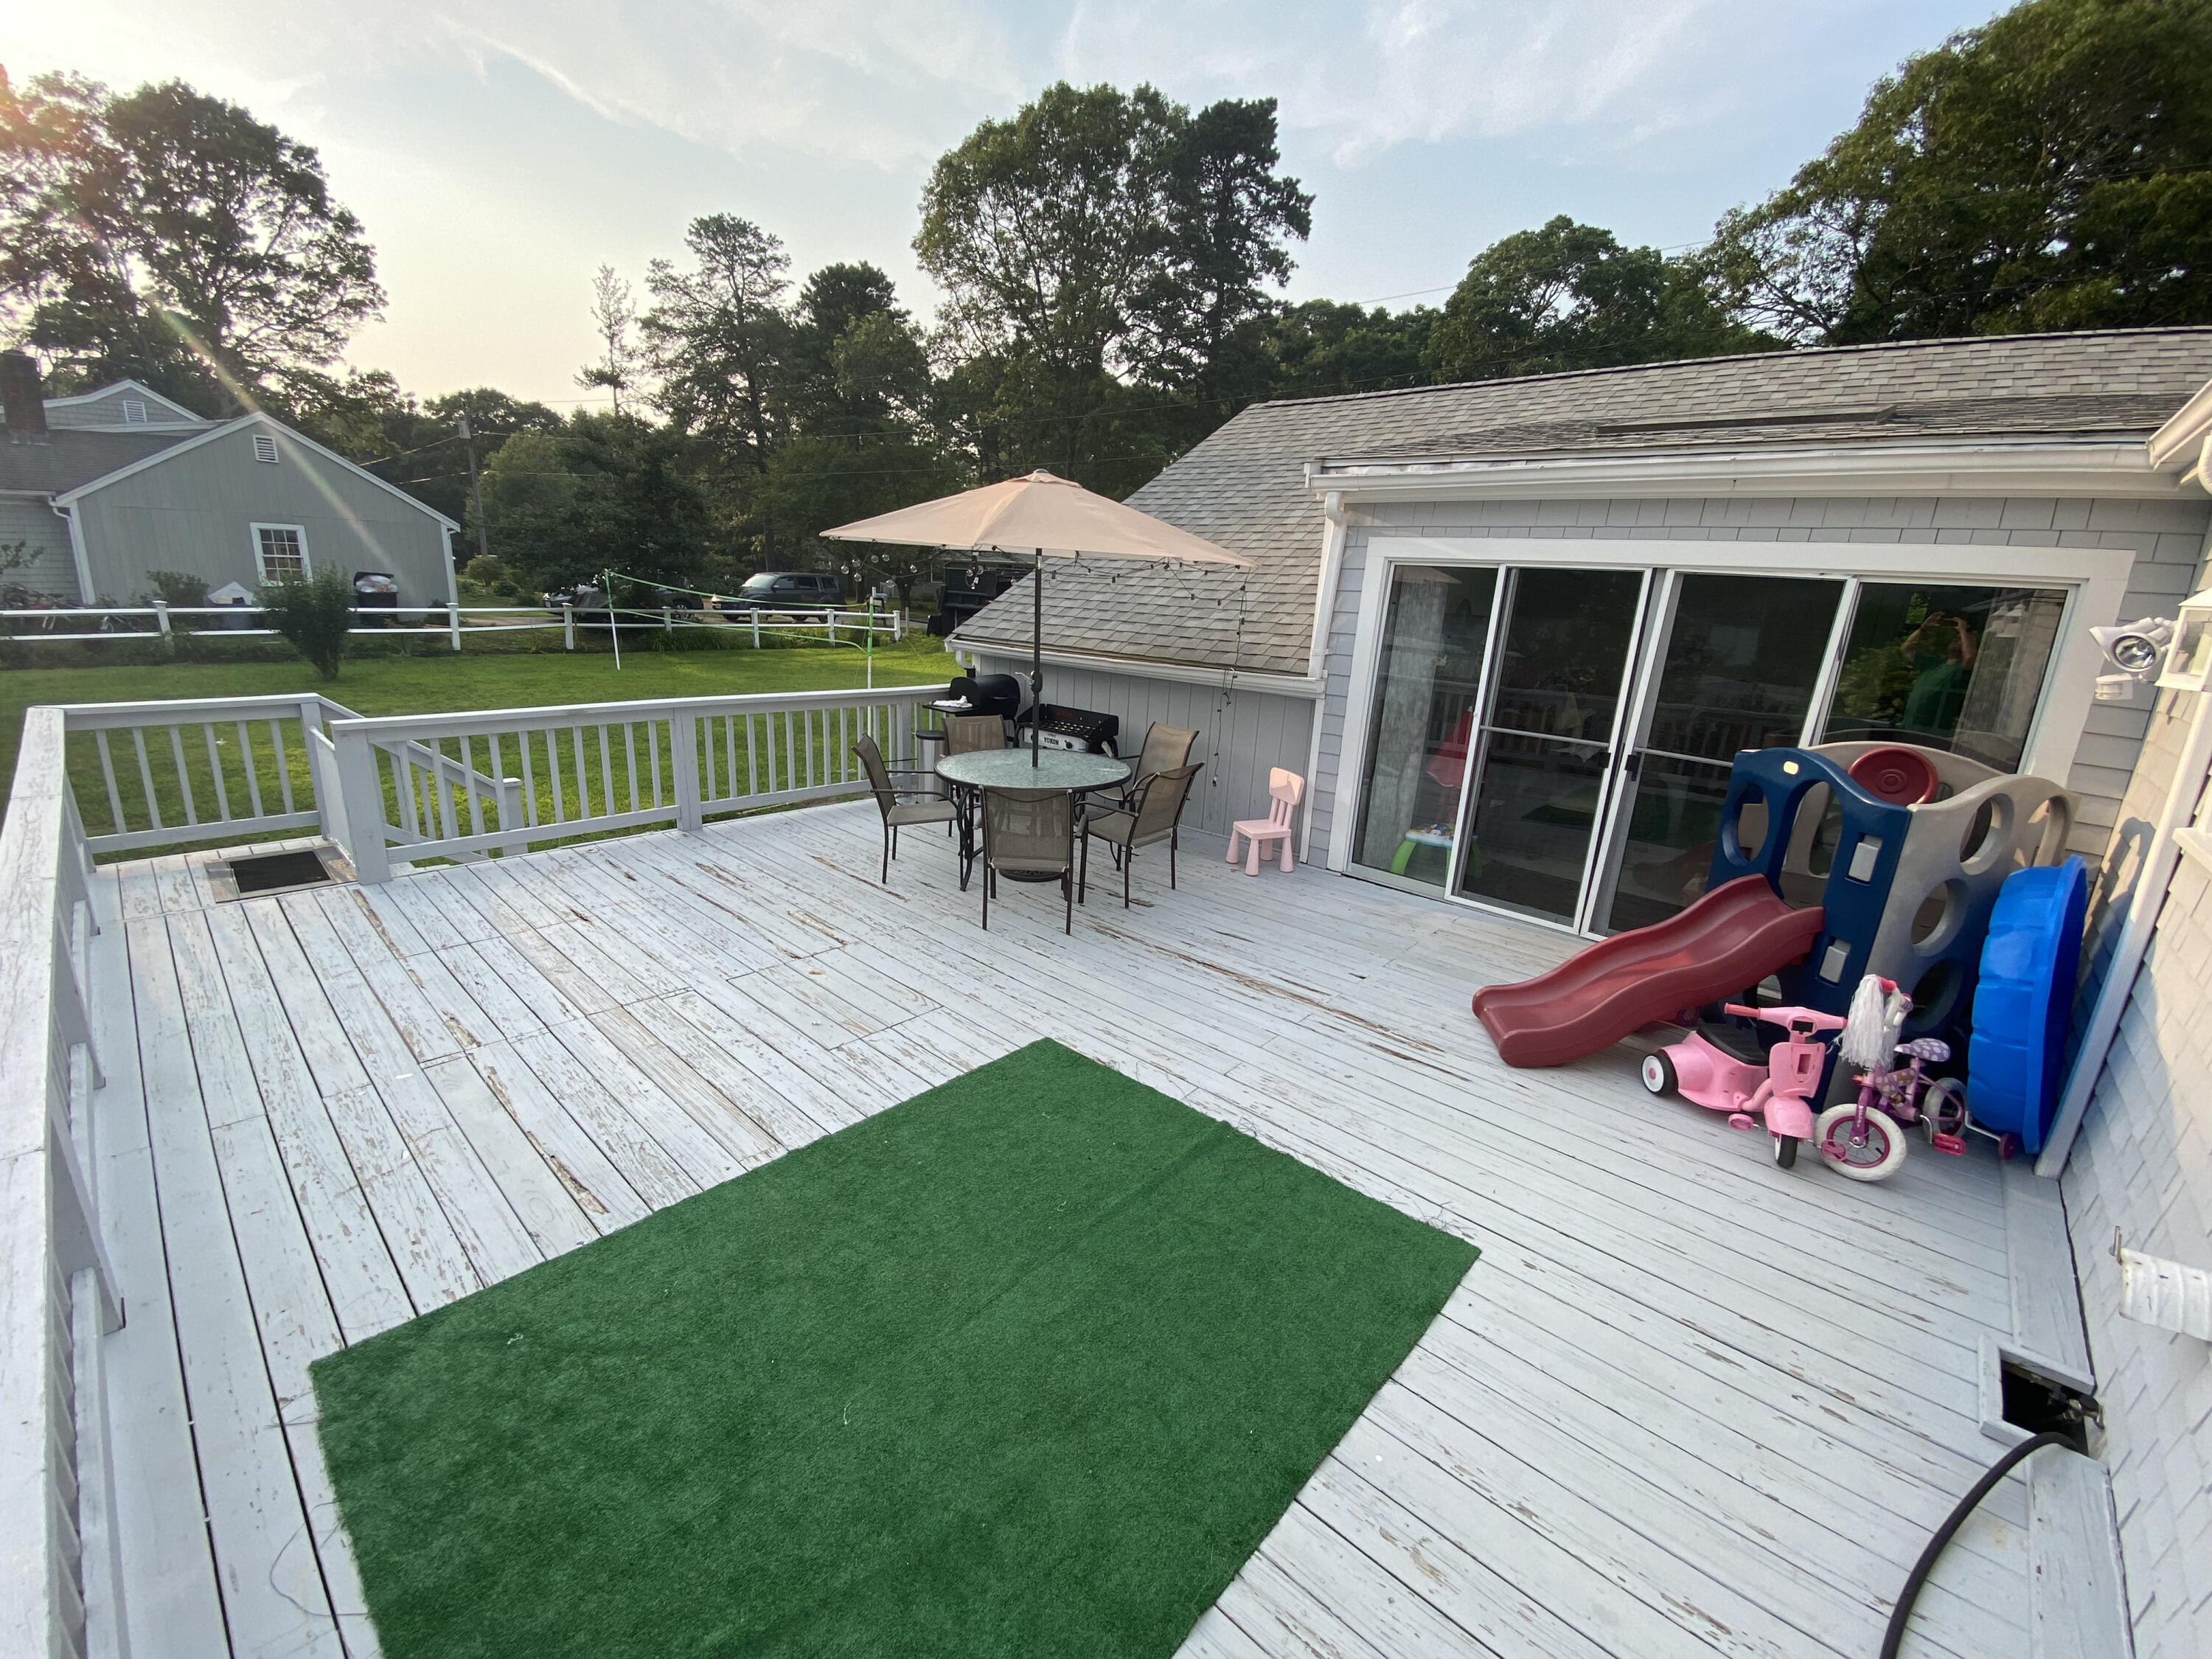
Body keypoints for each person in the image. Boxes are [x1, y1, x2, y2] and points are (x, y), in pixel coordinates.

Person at [1897, 609, 1978, 740]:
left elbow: (1969, 657)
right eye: (1956, 638)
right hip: (1909, 727)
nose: (1958, 639)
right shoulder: (1933, 664)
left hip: (1932, 733)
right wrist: (1923, 629)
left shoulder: (1962, 670)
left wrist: (1963, 630)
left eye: (1964, 640)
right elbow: (1906, 648)